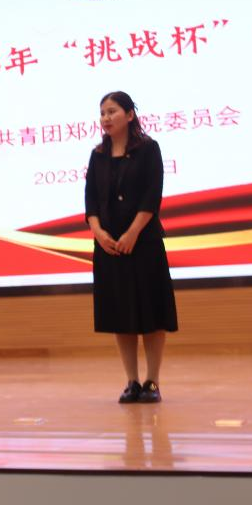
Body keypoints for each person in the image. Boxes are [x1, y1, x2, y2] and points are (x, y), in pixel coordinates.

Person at [84, 91, 178, 404]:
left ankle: (152, 381)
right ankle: (131, 382)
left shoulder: (148, 149)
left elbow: (152, 196)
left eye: (112, 111)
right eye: (102, 113)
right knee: (120, 317)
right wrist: (99, 233)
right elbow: (90, 200)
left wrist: (133, 233)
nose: (106, 118)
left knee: (152, 315)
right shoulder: (98, 155)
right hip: (109, 248)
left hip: (144, 244)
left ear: (129, 115)